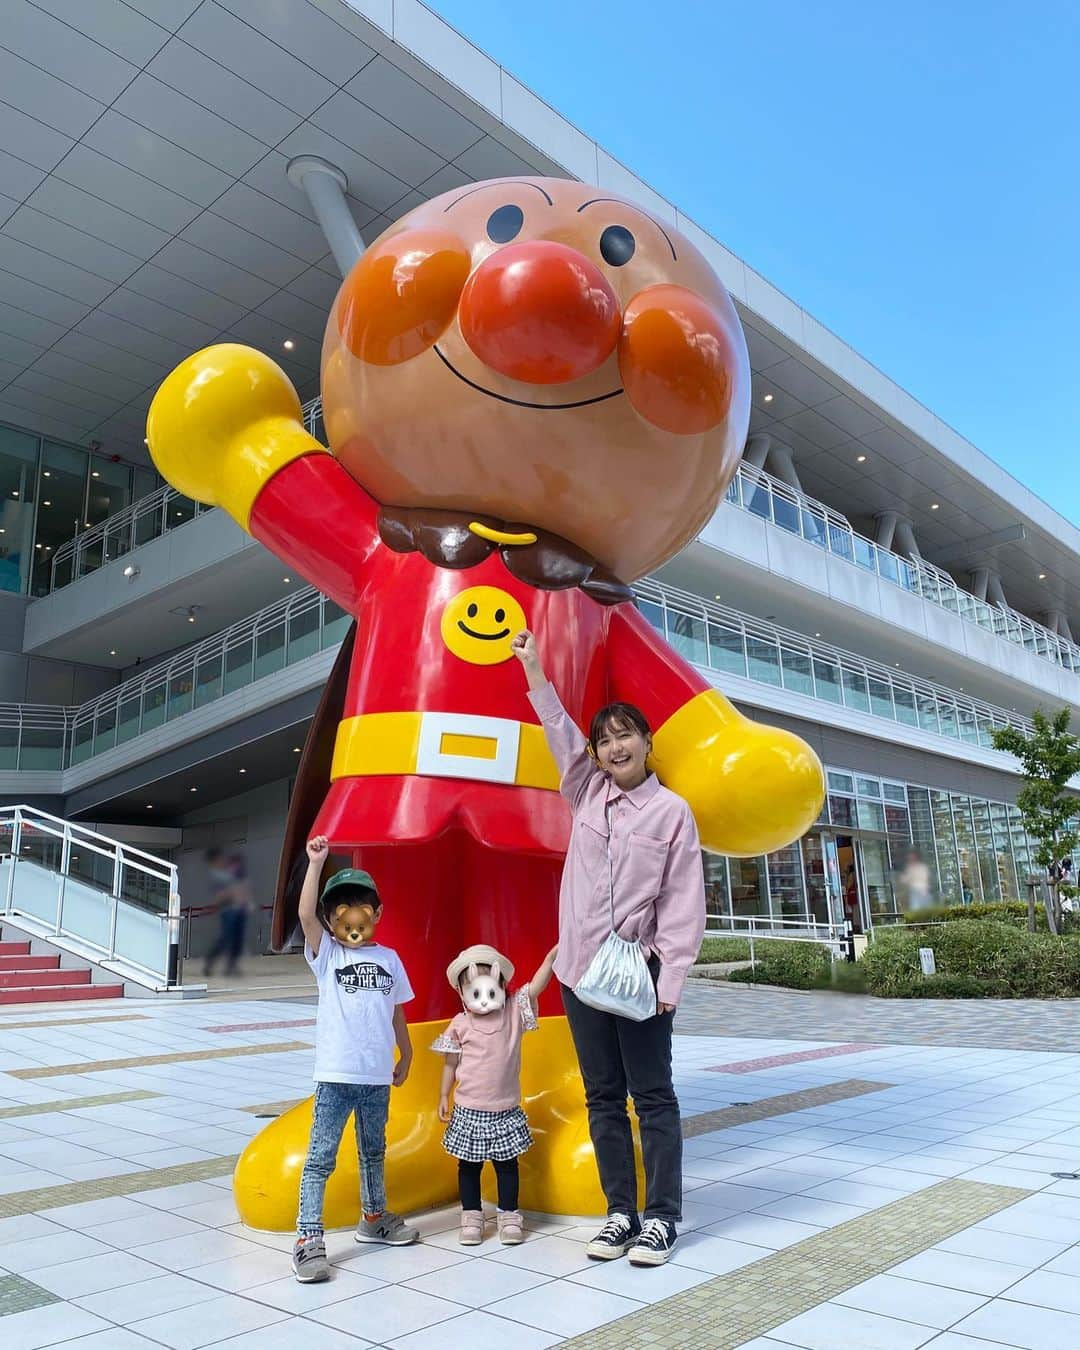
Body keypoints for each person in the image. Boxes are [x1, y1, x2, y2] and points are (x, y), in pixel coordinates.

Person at [512, 630, 705, 1267]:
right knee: (602, 1096)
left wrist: (669, 982)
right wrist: (534, 667)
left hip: (640, 975)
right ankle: (620, 1211)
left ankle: (663, 1218)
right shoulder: (586, 793)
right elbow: (559, 729)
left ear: (647, 742)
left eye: (625, 734)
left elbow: (682, 903)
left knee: (652, 1095)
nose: (614, 746)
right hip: (579, 971)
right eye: (605, 739)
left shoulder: (672, 812)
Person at [292, 836, 419, 1283]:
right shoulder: (328, 955)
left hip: (376, 1077)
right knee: (320, 1158)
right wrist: (316, 863)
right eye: (340, 910)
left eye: (361, 908)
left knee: (373, 1151)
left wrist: (407, 1051)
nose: (351, 917)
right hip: (335, 1075)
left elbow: (397, 1008)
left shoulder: (389, 959)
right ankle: (308, 1239)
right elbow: (304, 913)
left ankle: (374, 1217)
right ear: (331, 920)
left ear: (376, 914)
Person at [432, 943, 557, 1245]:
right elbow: (451, 1063)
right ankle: (472, 1217)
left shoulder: (513, 1011)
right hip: (468, 1110)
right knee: (469, 1167)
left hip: (504, 1109)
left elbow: (534, 989)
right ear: (461, 993)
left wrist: (550, 959)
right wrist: (444, 1095)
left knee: (507, 1165)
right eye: (474, 991)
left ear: (502, 987)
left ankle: (509, 1216)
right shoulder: (459, 1025)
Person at [203, 848, 246, 977]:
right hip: (228, 911)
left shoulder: (227, 872)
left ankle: (231, 966)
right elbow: (219, 896)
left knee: (237, 939)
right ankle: (210, 961)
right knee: (225, 939)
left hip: (238, 909)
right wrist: (231, 892)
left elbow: (240, 888)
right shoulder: (215, 875)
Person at [900, 848, 932, 913]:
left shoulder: (919, 867)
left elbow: (906, 879)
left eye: (911, 857)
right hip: (918, 892)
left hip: (921, 891)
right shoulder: (912, 867)